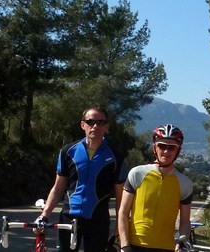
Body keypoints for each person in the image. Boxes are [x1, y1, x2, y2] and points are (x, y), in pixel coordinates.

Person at [37, 106, 127, 252]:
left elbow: (121, 197)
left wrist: (119, 229)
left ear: (107, 126)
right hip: (69, 217)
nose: (95, 126)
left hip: (98, 221)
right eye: (90, 122)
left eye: (100, 122)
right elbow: (58, 188)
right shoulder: (68, 151)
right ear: (82, 125)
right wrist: (44, 215)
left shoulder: (116, 156)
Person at [118, 124, 193, 252]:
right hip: (135, 245)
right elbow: (123, 213)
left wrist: (182, 242)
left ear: (178, 151)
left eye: (171, 148)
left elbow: (185, 221)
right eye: (162, 146)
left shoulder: (185, 183)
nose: (166, 151)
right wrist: (124, 246)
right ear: (155, 147)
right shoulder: (137, 173)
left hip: (166, 247)